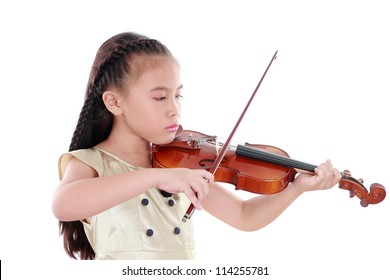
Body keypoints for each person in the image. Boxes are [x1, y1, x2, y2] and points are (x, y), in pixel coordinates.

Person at [51, 31, 341, 260]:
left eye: (178, 96)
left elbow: (244, 217)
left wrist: (296, 188)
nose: (174, 110)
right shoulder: (91, 161)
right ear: (115, 102)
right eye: (160, 97)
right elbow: (64, 205)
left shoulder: (179, 163)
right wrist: (157, 177)